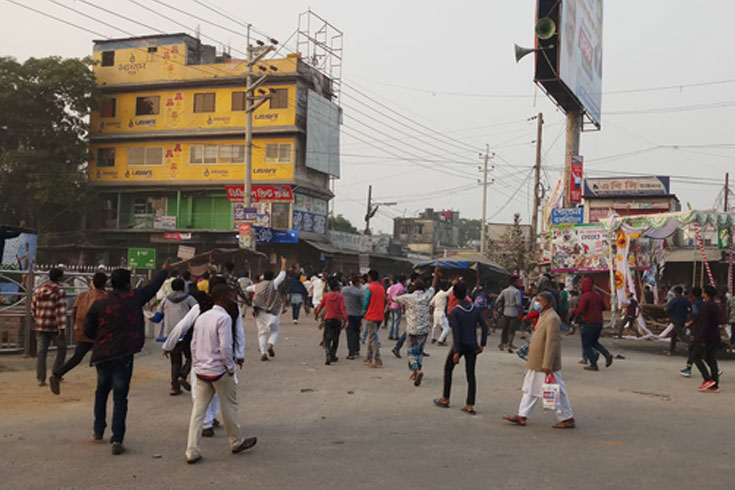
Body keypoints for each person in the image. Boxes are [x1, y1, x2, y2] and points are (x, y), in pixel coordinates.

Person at [84, 268, 168, 455]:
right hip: (124, 354)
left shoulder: (100, 303)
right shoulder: (134, 298)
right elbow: (153, 287)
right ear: (128, 282)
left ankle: (98, 429)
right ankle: (117, 438)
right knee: (120, 397)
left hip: (103, 354)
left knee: (101, 391)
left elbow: (88, 329)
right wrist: (163, 272)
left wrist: (99, 338)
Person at [185, 284, 256, 464]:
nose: (233, 299)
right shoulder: (223, 318)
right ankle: (235, 441)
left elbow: (193, 343)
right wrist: (230, 367)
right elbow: (225, 347)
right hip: (219, 371)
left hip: (201, 370)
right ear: (224, 298)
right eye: (231, 296)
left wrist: (196, 363)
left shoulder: (202, 317)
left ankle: (192, 449)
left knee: (198, 411)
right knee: (229, 408)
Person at [503, 292, 575, 429]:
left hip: (545, 362)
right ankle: (522, 415)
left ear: (547, 302)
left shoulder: (552, 318)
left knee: (556, 390)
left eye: (539, 301)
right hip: (537, 361)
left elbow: (552, 343)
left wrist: (547, 364)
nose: (536, 303)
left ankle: (567, 418)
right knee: (530, 388)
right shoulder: (544, 315)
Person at [49, 272, 108, 395]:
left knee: (76, 358)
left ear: (92, 282)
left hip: (82, 332)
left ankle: (57, 374)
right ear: (104, 284)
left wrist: (77, 325)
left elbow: (73, 312)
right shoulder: (105, 297)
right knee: (104, 359)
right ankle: (105, 384)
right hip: (99, 333)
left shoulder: (82, 295)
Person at [434, 281, 488, 414]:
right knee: (471, 374)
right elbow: (485, 327)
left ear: (454, 295)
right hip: (473, 346)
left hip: (460, 345)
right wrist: (482, 344)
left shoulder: (455, 312)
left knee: (448, 369)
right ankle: (470, 405)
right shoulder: (474, 309)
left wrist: (456, 352)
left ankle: (445, 398)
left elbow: (456, 334)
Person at [392, 266, 440, 386]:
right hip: (424, 329)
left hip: (412, 329)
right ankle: (416, 371)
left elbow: (394, 298)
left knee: (411, 353)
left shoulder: (408, 297)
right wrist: (436, 273)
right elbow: (433, 287)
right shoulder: (427, 296)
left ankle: (416, 370)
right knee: (419, 352)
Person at [157, 278, 198, 395]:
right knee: (191, 357)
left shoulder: (166, 299)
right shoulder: (189, 299)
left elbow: (157, 317)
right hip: (185, 333)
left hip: (170, 334)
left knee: (175, 361)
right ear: (183, 287)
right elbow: (197, 311)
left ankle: (174, 387)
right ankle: (183, 375)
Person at [31, 267, 67, 387]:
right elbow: (61, 311)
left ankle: (41, 379)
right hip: (54, 327)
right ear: (59, 278)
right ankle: (57, 373)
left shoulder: (39, 290)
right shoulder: (59, 292)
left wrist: (38, 318)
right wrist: (61, 328)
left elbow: (33, 307)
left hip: (41, 324)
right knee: (62, 348)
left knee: (41, 352)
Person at [248, 257, 287, 361]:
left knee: (261, 333)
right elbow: (282, 275)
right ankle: (270, 345)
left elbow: (247, 289)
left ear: (263, 277)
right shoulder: (274, 284)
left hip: (260, 313)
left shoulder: (257, 286)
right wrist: (283, 263)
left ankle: (263, 353)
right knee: (274, 332)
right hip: (272, 313)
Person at [572, 277, 613, 371]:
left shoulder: (585, 296)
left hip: (589, 322)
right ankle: (606, 354)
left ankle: (593, 364)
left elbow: (580, 310)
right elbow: (604, 307)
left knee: (586, 345)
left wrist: (573, 312)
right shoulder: (598, 295)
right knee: (594, 342)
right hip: (599, 322)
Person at [690, 286, 722, 392]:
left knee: (696, 356)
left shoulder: (707, 306)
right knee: (710, 358)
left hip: (706, 337)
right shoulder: (716, 306)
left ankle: (707, 379)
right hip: (715, 336)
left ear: (706, 293)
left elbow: (704, 324)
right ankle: (715, 383)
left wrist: (700, 339)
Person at [315, 279, 348, 365]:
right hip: (337, 319)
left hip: (328, 318)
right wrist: (346, 318)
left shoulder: (326, 296)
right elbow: (342, 308)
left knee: (327, 338)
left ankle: (328, 354)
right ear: (337, 287)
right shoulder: (340, 297)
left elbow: (321, 306)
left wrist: (317, 314)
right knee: (336, 338)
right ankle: (333, 355)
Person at [362, 269, 386, 368]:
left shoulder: (370, 288)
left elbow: (366, 302)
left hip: (371, 315)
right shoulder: (381, 288)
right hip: (379, 315)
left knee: (373, 338)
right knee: (372, 337)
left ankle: (377, 359)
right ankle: (369, 356)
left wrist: (363, 312)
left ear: (370, 278)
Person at [680, 287, 704, 377]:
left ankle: (689, 369)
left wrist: (688, 323)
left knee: (693, 349)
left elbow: (695, 315)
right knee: (698, 350)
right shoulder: (704, 303)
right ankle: (688, 368)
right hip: (703, 329)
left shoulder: (694, 304)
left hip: (695, 329)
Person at [341, 276, 365, 359]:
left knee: (349, 333)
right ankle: (356, 350)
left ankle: (351, 352)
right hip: (357, 315)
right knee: (356, 332)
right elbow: (363, 304)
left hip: (347, 315)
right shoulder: (360, 292)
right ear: (357, 283)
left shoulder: (344, 290)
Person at [497, 275, 522, 353]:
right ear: (514, 282)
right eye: (518, 281)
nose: (519, 283)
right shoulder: (516, 291)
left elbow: (498, 300)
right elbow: (518, 303)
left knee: (505, 329)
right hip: (513, 312)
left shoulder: (505, 290)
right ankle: (509, 344)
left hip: (506, 311)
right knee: (512, 329)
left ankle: (501, 344)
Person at [666, 286, 691, 356]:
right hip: (683, 319)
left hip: (676, 320)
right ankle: (671, 350)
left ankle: (693, 346)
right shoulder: (685, 300)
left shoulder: (675, 300)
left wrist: (670, 315)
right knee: (673, 335)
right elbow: (691, 307)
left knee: (681, 336)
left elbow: (668, 308)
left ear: (675, 292)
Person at [387, 276, 406, 340]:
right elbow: (402, 298)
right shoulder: (402, 288)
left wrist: (389, 304)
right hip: (398, 305)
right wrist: (403, 308)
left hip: (392, 304)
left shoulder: (393, 286)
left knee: (392, 320)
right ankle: (396, 335)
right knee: (397, 321)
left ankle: (390, 334)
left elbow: (389, 296)